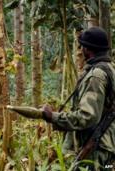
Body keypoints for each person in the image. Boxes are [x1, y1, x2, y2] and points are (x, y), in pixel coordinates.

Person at [42, 27, 115, 170]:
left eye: (82, 47)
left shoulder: (96, 76)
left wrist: (54, 117)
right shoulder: (111, 68)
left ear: (88, 49)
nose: (81, 50)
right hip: (108, 145)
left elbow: (88, 116)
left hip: (97, 148)